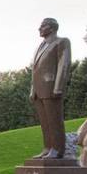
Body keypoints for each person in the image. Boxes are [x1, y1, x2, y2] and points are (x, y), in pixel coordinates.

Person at [29, 18, 71, 159]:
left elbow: (64, 65)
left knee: (54, 121)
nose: (39, 29)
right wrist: (32, 89)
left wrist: (58, 87)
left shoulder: (62, 42)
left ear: (52, 28)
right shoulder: (40, 46)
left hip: (51, 88)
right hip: (39, 90)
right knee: (45, 122)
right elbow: (35, 70)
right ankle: (47, 148)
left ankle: (57, 149)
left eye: (43, 26)